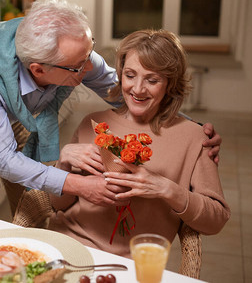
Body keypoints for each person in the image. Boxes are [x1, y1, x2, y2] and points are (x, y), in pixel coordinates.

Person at [0, 0, 222, 215]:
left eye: (90, 53)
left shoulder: (71, 52)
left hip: (15, 113)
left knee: (31, 199)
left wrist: (190, 128)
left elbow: (127, 93)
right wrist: (78, 184)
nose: (90, 68)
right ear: (38, 69)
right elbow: (5, 161)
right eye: (78, 66)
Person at [47, 29, 230, 257]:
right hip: (65, 245)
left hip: (133, 264)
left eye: (152, 80)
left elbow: (215, 221)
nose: (138, 89)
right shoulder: (91, 124)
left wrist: (166, 188)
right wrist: (63, 165)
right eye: (130, 75)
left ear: (170, 84)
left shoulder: (196, 138)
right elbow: (58, 206)